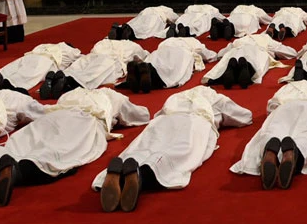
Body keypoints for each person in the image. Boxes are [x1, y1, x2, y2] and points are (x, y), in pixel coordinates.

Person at [0, 88, 148, 207]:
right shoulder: (112, 96)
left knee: (18, 145)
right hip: (85, 123)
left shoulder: (70, 94)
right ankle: (16, 172)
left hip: (53, 117)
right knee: (56, 156)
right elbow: (141, 115)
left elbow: (42, 110)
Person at [93, 86, 253, 212]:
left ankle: (120, 171)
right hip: (195, 122)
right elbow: (244, 117)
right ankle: (140, 176)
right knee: (181, 154)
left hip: (164, 121)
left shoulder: (176, 96)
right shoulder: (216, 99)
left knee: (145, 146)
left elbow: (157, 114)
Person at [231, 80, 307, 190]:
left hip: (286, 108)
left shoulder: (289, 86)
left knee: (273, 130)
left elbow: (271, 105)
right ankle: (296, 153)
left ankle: (269, 150)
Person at [0, 42, 82, 94]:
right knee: (26, 76)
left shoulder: (46, 45)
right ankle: (5, 85)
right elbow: (81, 58)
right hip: (46, 61)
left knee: (9, 69)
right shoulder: (72, 51)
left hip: (30, 56)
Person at [205, 32, 298, 89]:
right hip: (257, 51)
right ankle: (247, 68)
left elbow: (221, 54)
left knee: (226, 62)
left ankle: (228, 70)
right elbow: (289, 52)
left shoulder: (240, 40)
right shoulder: (266, 39)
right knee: (255, 64)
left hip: (236, 50)